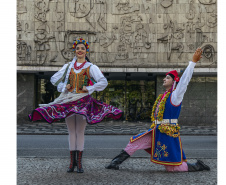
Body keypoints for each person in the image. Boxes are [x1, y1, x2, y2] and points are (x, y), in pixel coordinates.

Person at [106, 48, 210, 172]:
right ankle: (115, 163)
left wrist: (193, 62)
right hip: (156, 131)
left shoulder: (175, 96)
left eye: (167, 78)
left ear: (174, 82)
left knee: (174, 169)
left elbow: (184, 81)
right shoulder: (163, 96)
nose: (164, 79)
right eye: (164, 77)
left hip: (167, 134)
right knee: (134, 142)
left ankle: (198, 165)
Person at [29, 38, 123, 173]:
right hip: (68, 100)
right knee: (71, 131)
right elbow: (54, 79)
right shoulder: (68, 67)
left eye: (82, 49)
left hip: (83, 100)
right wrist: (63, 86)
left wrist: (90, 88)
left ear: (86, 51)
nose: (80, 50)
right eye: (78, 48)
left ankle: (79, 163)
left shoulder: (91, 67)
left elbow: (103, 82)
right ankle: (71, 163)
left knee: (80, 131)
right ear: (75, 51)